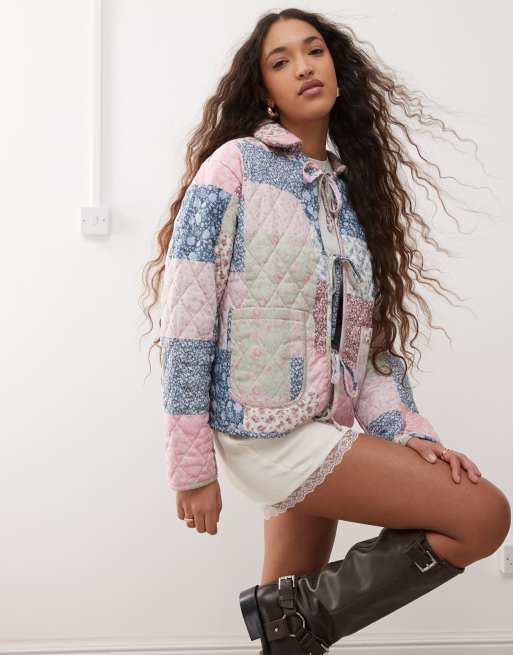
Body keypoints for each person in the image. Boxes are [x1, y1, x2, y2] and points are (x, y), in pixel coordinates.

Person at [141, 8, 511, 652]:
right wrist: (191, 465)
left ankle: (287, 622)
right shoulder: (235, 166)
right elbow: (186, 322)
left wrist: (412, 436)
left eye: (314, 51)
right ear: (264, 90)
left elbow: (369, 354)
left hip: (319, 426)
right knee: (483, 515)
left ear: (338, 71)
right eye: (280, 61)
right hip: (263, 432)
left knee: (293, 635)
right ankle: (288, 617)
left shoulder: (346, 198)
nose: (303, 67)